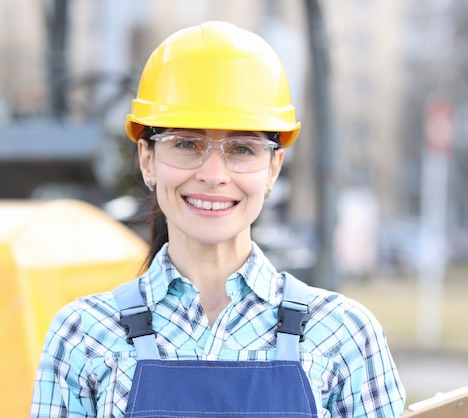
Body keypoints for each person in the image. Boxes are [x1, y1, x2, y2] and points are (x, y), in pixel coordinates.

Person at [30, 21, 405, 417]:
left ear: (274, 169)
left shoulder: (343, 334)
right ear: (147, 159)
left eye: (242, 149)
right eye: (187, 143)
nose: (214, 174)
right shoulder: (83, 336)